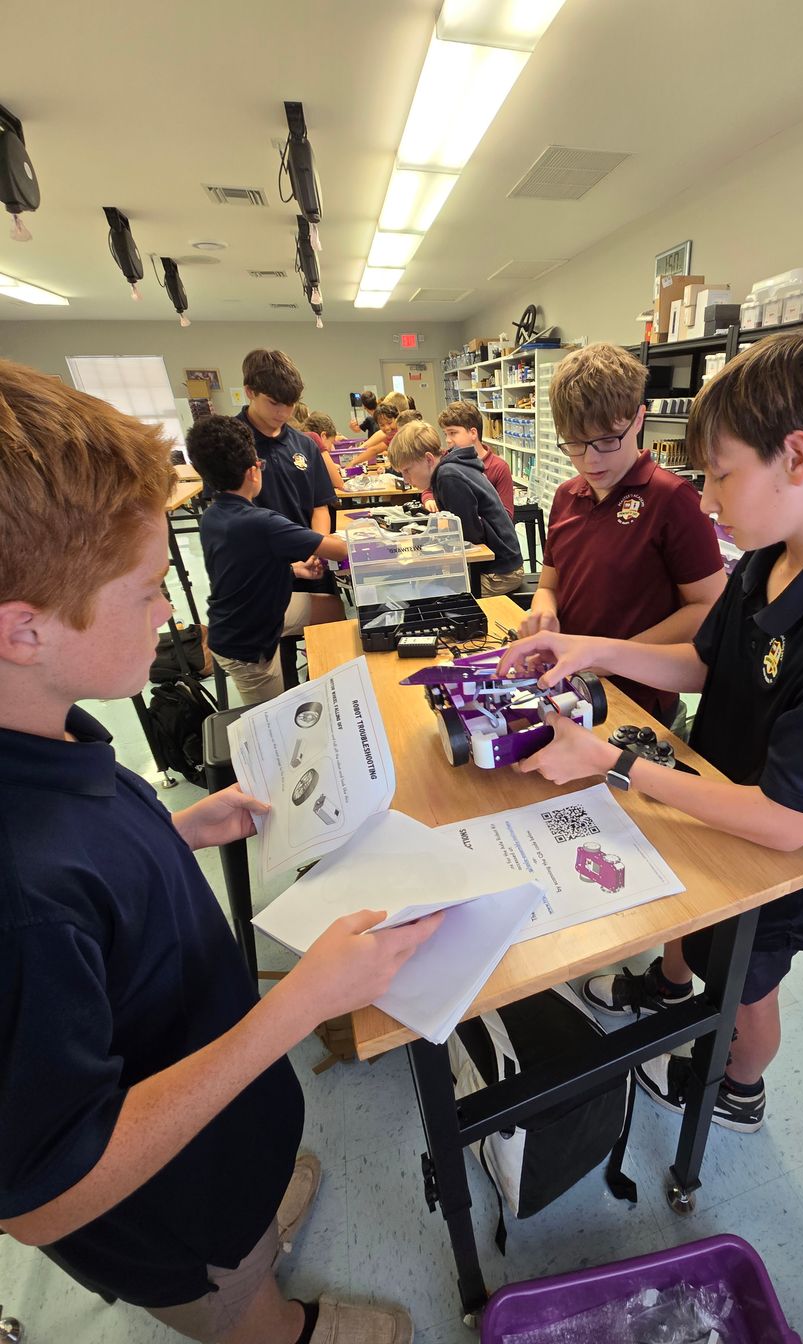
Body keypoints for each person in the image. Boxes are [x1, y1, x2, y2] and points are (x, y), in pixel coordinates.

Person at [0, 357, 440, 1343]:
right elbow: (45, 1192)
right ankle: (279, 1321)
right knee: (238, 1299)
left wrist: (174, 832)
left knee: (247, 1211)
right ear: (25, 630)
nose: (169, 611)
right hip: (171, 1206)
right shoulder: (18, 897)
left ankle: (257, 1224)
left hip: (218, 1125)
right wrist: (302, 1003)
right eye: (148, 590)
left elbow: (92, 896)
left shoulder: (47, 733)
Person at [497, 332, 803, 1134]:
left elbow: (789, 821)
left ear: (796, 458)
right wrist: (588, 649)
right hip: (720, 792)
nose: (705, 499)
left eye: (721, 474)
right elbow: (704, 661)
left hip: (786, 858)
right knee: (694, 924)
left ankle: (737, 1085)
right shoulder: (768, 559)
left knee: (745, 978)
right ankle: (669, 990)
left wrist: (613, 762)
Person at [520, 342, 726, 724]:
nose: (590, 459)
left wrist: (607, 657)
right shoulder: (566, 495)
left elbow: (709, 606)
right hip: (572, 685)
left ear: (638, 419)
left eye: (607, 440)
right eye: (575, 443)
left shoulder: (672, 499)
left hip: (639, 699)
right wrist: (544, 613)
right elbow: (549, 584)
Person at [187, 416, 347, 705]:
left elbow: (246, 571)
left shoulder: (213, 516)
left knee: (332, 608)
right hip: (247, 645)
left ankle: (324, 686)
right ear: (253, 472)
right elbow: (339, 551)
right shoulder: (263, 523)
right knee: (274, 718)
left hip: (253, 612)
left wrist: (294, 569)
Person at [234, 349, 337, 597]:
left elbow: (319, 506)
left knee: (328, 615)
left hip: (310, 562)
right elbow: (228, 520)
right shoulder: (229, 442)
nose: (283, 412)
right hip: (260, 571)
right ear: (250, 391)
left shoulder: (305, 444)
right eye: (274, 402)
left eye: (290, 404)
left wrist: (315, 549)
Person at [389, 420, 524, 597]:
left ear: (429, 459)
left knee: (425, 596)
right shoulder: (449, 470)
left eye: (407, 470)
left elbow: (469, 536)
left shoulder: (448, 477)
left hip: (499, 573)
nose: (406, 479)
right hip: (496, 566)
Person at [423, 402, 513, 518]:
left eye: (453, 433)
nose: (447, 440)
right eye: (446, 434)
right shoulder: (445, 461)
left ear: (473, 433)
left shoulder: (499, 467)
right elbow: (429, 489)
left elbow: (506, 515)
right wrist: (429, 499)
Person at [344, 402, 399, 470]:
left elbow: (374, 450)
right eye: (382, 425)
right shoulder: (390, 435)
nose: (387, 428)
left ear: (397, 419)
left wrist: (352, 463)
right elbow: (374, 449)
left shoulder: (398, 433)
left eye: (389, 423)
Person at [303, 411, 346, 492]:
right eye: (331, 442)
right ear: (323, 436)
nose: (330, 449)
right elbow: (339, 483)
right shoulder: (313, 439)